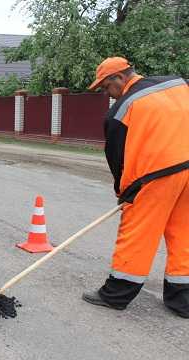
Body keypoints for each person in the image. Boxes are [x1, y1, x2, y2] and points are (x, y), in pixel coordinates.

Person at [83, 57, 189, 318]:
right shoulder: (178, 83)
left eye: (106, 88)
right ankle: (183, 300)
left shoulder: (122, 110)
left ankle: (116, 294)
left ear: (119, 78)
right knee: (184, 234)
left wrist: (123, 192)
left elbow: (117, 159)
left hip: (156, 176)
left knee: (138, 234)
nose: (107, 95)